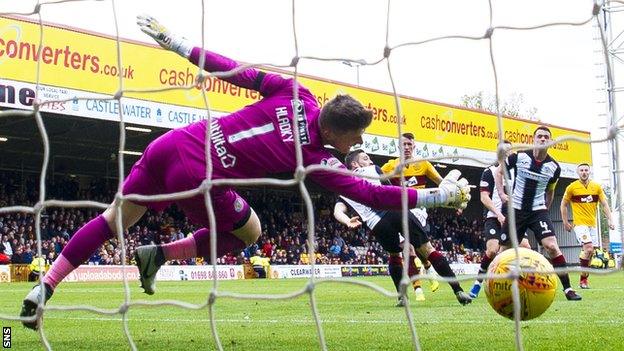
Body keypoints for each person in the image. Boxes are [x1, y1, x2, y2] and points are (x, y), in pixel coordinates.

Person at [20, 15, 471, 330]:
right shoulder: (314, 158)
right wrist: (437, 197)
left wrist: (180, 46)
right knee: (249, 232)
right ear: (334, 128)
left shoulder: (299, 91)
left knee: (113, 221)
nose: (356, 146)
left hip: (173, 143)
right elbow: (371, 196)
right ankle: (159, 254)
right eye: (353, 139)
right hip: (200, 176)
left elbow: (236, 72)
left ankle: (47, 286)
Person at [334, 149, 473, 306]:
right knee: (428, 250)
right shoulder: (373, 170)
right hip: (396, 212)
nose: (370, 161)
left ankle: (402, 297)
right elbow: (392, 192)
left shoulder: (344, 187)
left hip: (377, 225)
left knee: (394, 256)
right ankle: (458, 290)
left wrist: (347, 221)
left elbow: (337, 210)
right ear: (354, 164)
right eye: (365, 158)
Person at [496, 126, 582, 301]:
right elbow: (499, 172)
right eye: (540, 136)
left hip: (538, 211)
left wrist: (545, 209)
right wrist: (502, 194)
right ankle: (495, 288)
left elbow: (550, 190)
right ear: (534, 139)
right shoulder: (519, 157)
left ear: (551, 142)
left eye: (546, 137)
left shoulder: (554, 167)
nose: (543, 139)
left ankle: (568, 289)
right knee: (503, 250)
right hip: (516, 211)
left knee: (551, 246)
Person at [380, 132, 443, 297]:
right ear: (398, 147)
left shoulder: (423, 164)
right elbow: (375, 182)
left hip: (418, 209)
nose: (406, 147)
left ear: (414, 146)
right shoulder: (390, 167)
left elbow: (442, 183)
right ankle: (422, 282)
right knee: (410, 249)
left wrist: (454, 198)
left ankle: (422, 283)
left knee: (414, 248)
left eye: (409, 144)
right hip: (400, 211)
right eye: (404, 144)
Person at [468, 140, 531, 298]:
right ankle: (478, 283)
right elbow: (484, 197)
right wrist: (499, 214)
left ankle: (527, 283)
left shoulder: (518, 172)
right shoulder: (489, 171)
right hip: (494, 217)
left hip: (513, 218)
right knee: (492, 250)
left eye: (508, 151)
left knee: (526, 248)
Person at [560, 163, 615, 288]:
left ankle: (584, 277)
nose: (584, 172)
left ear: (589, 172)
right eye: (581, 170)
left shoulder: (596, 187)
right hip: (579, 224)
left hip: (592, 225)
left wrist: (610, 220)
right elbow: (563, 204)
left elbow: (604, 204)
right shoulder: (572, 187)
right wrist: (565, 222)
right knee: (589, 248)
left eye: (586, 170)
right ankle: (583, 280)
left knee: (590, 252)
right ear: (578, 172)